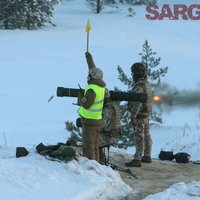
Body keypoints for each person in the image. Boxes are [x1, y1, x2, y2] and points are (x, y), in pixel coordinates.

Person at [77, 52, 106, 162]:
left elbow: (86, 104)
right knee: (94, 145)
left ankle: (91, 167)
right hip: (97, 119)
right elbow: (93, 69)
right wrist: (89, 58)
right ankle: (97, 164)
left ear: (92, 77)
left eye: (89, 75)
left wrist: (81, 96)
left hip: (89, 121)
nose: (87, 76)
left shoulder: (92, 89)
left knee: (88, 146)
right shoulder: (101, 86)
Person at [125, 62, 153, 167]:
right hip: (146, 114)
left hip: (140, 115)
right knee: (146, 135)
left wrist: (133, 115)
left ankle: (137, 159)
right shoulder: (146, 83)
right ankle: (147, 156)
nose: (132, 75)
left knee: (139, 136)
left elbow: (137, 102)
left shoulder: (139, 86)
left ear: (136, 73)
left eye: (133, 73)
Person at [99, 90, 121, 163]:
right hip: (112, 133)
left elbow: (102, 125)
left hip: (109, 136)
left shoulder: (107, 109)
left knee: (90, 141)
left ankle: (98, 161)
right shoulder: (112, 105)